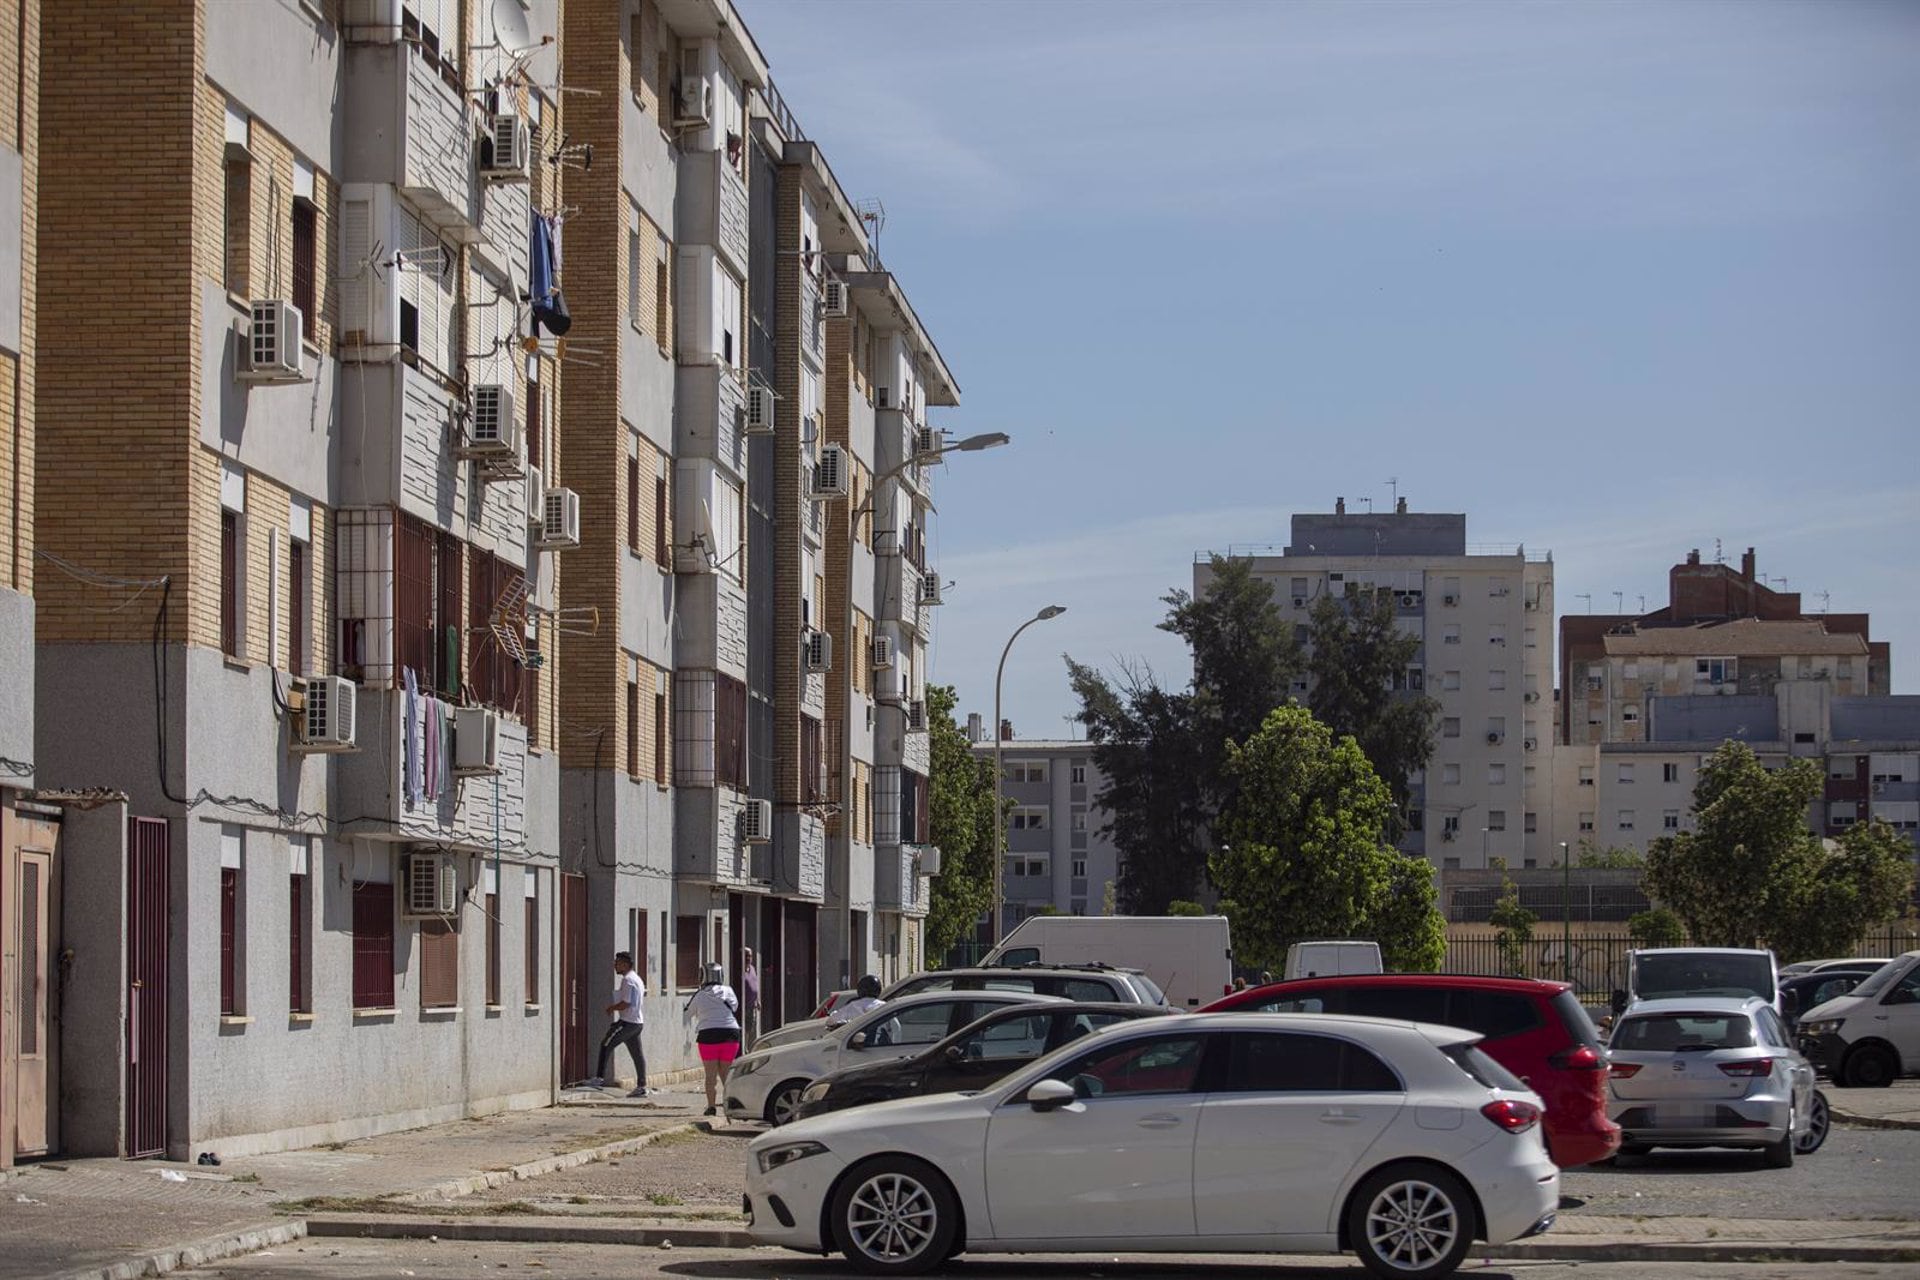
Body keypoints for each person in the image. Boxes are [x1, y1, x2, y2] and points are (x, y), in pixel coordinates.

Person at [586, 952, 648, 1097]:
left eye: (618, 963)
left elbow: (626, 1003)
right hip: (637, 1022)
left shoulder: (627, 980)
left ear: (625, 964)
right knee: (637, 1054)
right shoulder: (637, 978)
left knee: (606, 1044)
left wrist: (611, 1008)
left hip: (627, 1022)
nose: (615, 965)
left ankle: (599, 1078)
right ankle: (641, 1086)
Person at [686, 962, 742, 1117]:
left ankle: (711, 1106)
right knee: (726, 1073)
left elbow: (688, 1013)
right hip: (731, 1033)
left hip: (707, 1035)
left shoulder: (699, 994)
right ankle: (730, 1105)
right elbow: (735, 1007)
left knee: (710, 1074)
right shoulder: (728, 990)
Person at [740, 947, 761, 1048]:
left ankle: (747, 1047)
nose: (748, 958)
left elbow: (755, 984)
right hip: (743, 1005)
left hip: (752, 1004)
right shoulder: (739, 970)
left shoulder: (752, 969)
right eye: (746, 956)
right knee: (743, 1027)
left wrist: (757, 1000)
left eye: (750, 956)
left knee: (750, 1027)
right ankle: (743, 1048)